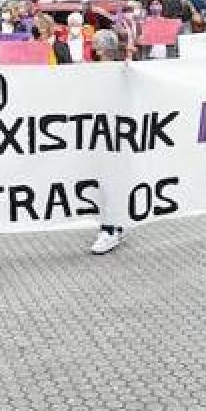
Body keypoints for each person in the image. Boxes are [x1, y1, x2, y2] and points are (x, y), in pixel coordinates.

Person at [89, 28, 126, 254]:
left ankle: (110, 229)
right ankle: (115, 226)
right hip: (104, 134)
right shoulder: (100, 70)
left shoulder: (119, 71)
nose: (93, 48)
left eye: (95, 44)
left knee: (109, 183)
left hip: (112, 136)